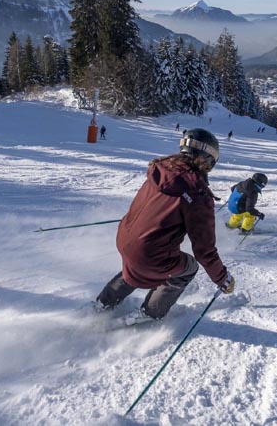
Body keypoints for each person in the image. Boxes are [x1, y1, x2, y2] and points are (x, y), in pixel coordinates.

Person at [95, 128, 235, 324]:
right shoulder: (197, 193)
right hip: (148, 250)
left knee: (136, 265)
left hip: (126, 237)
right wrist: (222, 278)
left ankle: (104, 303)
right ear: (210, 159)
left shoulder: (161, 169)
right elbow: (204, 251)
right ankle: (150, 313)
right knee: (188, 267)